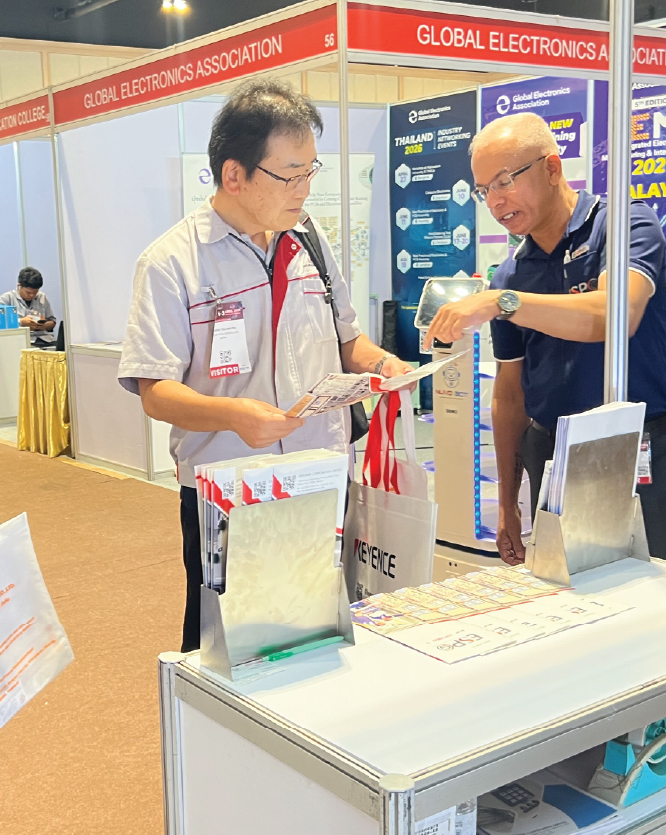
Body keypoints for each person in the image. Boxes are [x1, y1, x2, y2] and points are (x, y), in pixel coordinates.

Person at [117, 79, 412, 653]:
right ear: (235, 175)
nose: (305, 190)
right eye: (289, 175)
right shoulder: (173, 262)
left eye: (310, 171)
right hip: (230, 489)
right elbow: (155, 391)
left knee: (319, 631)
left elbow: (347, 340)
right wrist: (235, 415)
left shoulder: (310, 241)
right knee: (225, 645)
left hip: (320, 476)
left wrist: (381, 363)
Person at [424, 112, 666, 567]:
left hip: (639, 447)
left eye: (505, 181)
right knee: (565, 588)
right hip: (551, 454)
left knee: (662, 581)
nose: (495, 201)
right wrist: (508, 504)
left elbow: (615, 315)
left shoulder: (623, 225)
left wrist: (504, 302)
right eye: (484, 190)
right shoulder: (512, 272)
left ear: (552, 168)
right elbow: (510, 395)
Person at [0, 266, 56, 347]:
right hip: (19, 341)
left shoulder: (42, 297)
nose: (32, 295)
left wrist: (43, 326)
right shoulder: (6, 299)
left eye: (35, 292)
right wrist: (20, 322)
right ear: (19, 286)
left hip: (44, 340)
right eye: (28, 292)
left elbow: (52, 321)